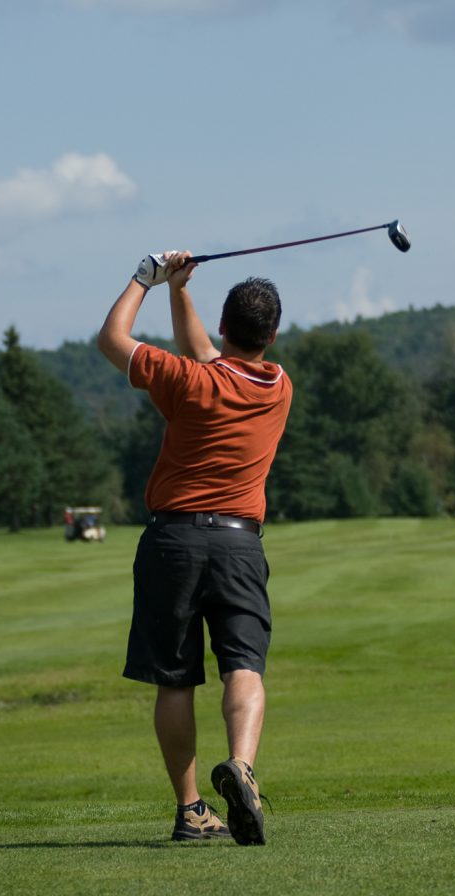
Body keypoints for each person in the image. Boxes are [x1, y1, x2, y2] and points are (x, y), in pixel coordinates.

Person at [97, 249, 292, 845]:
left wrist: (146, 277)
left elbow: (112, 338)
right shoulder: (277, 385)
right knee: (244, 665)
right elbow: (208, 353)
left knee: (176, 679)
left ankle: (191, 810)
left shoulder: (187, 380)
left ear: (226, 327)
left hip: (173, 542)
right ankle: (243, 764)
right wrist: (182, 290)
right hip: (239, 544)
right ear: (272, 334)